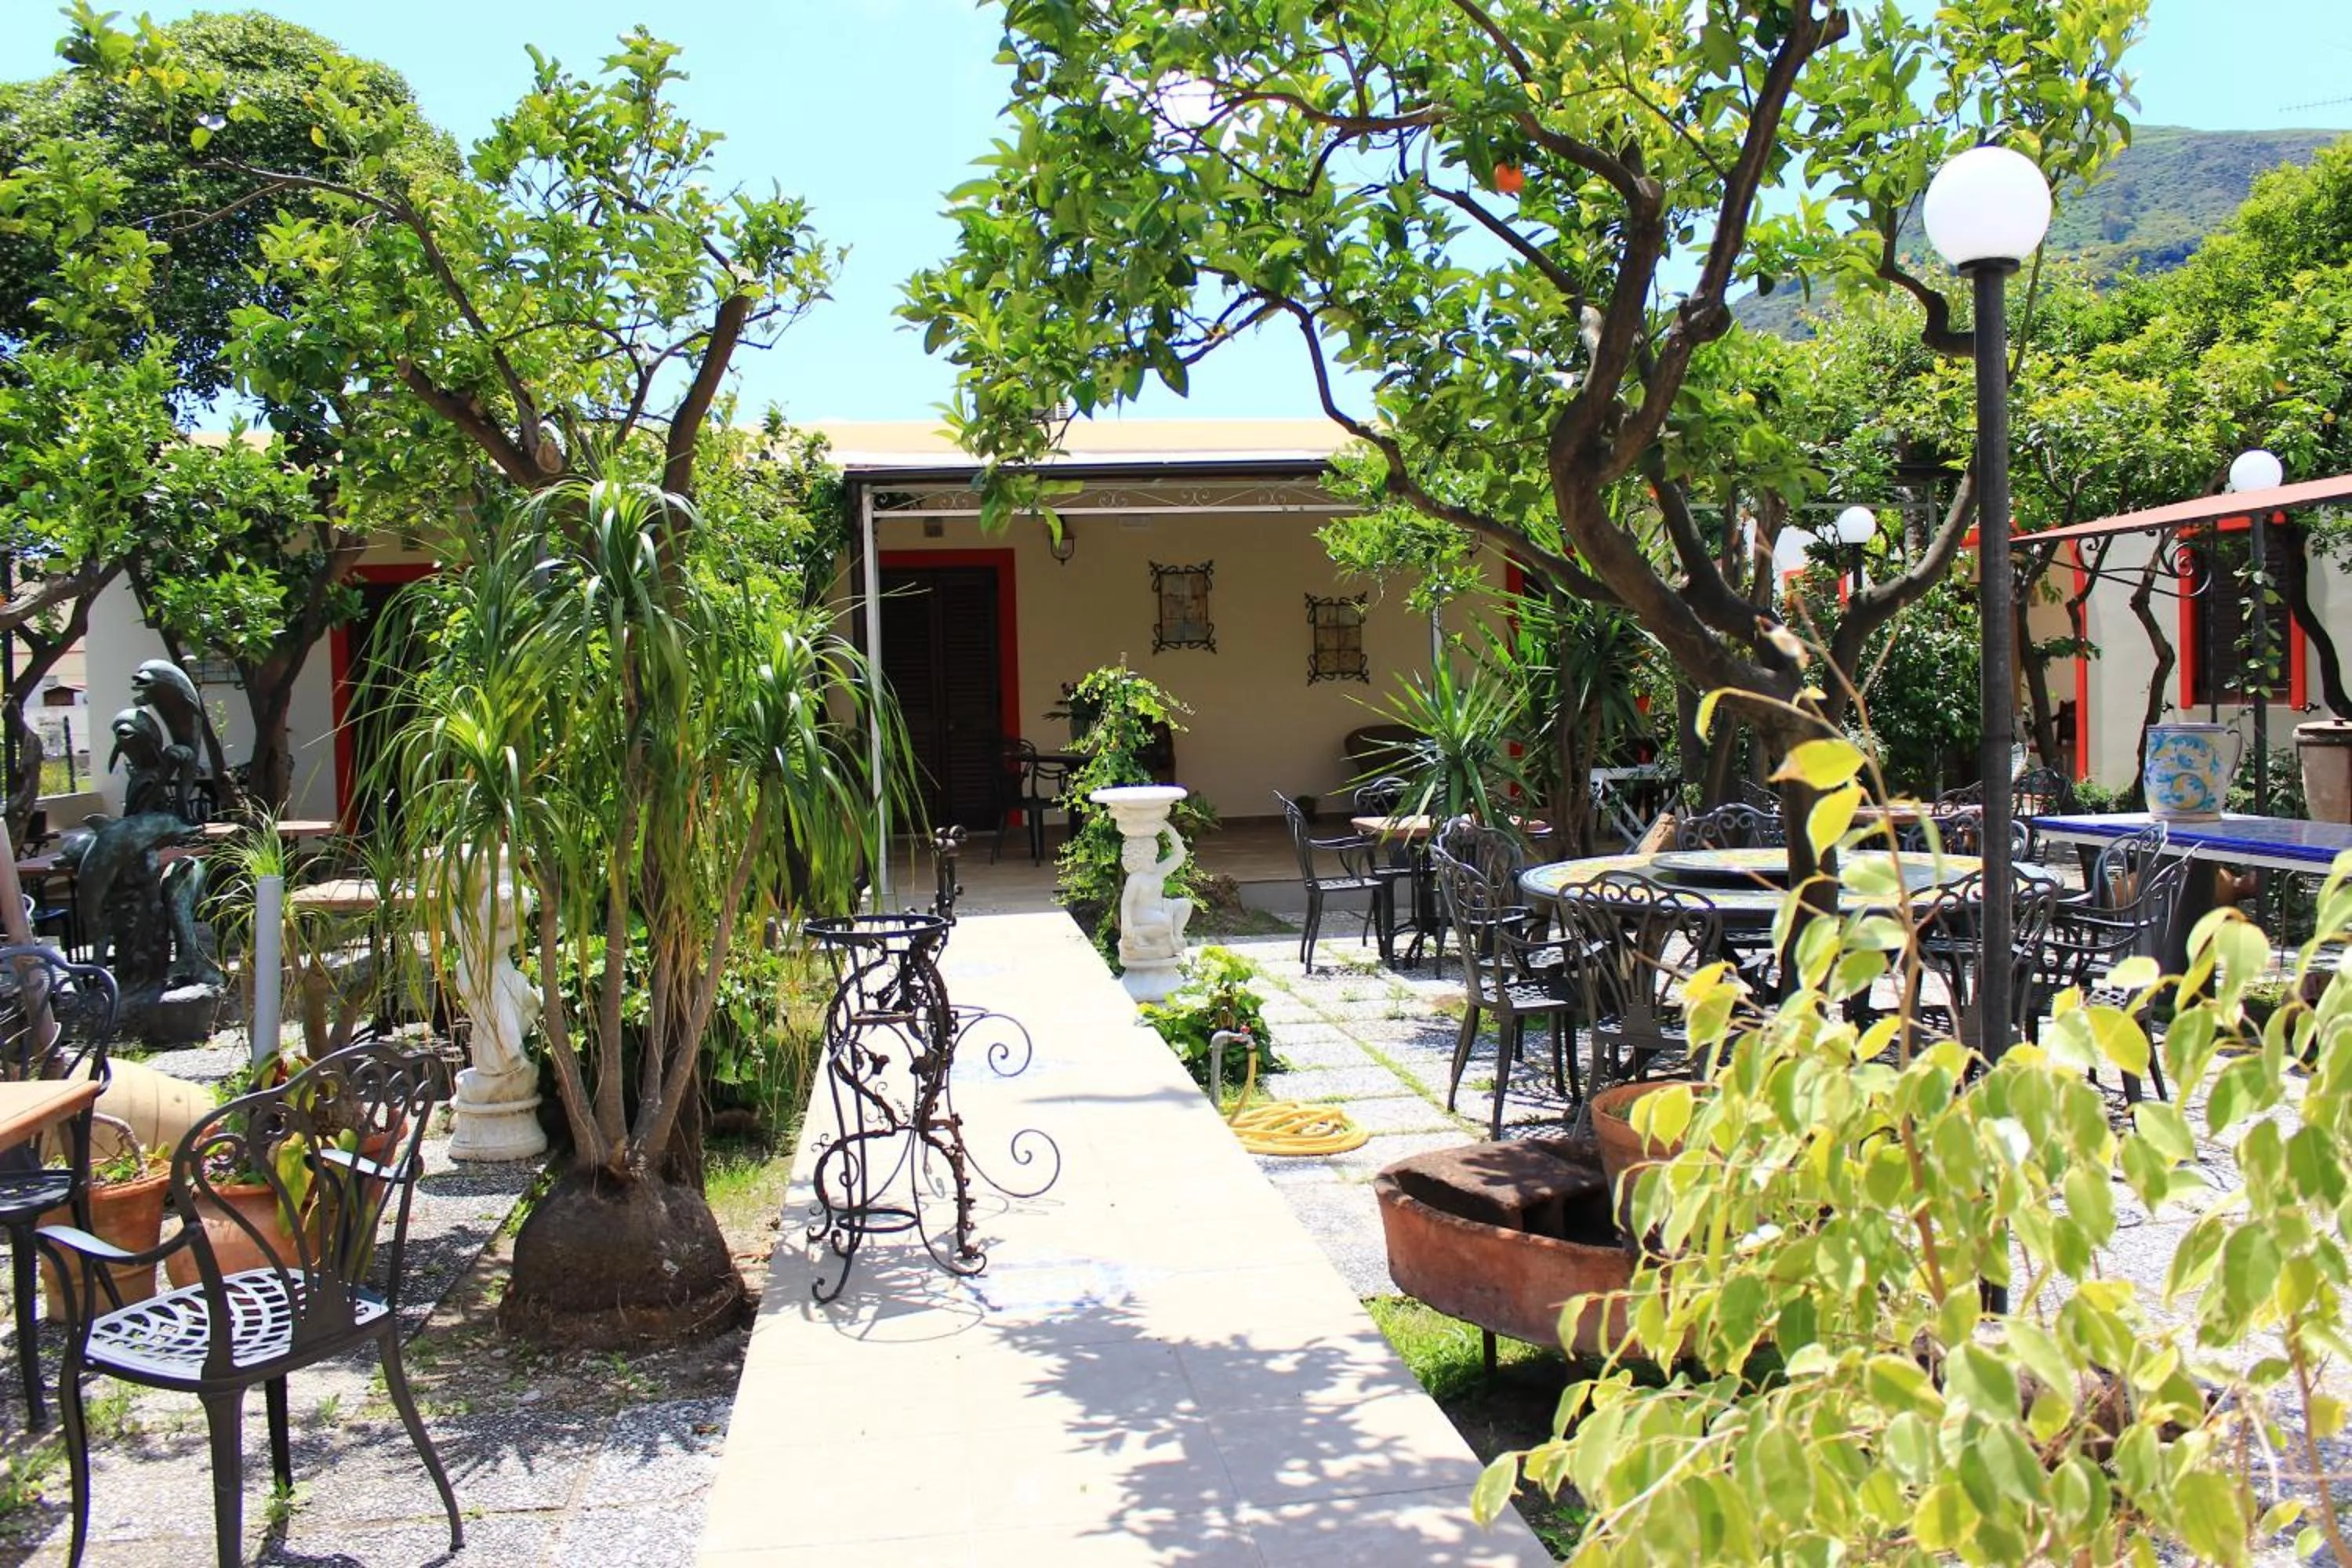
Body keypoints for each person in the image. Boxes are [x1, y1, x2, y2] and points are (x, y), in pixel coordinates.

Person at [1117, 829, 1192, 964]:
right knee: (1164, 922)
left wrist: (1169, 829)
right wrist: (1127, 926)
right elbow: (1126, 904)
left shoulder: (1158, 871)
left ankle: (1176, 936)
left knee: (1186, 904)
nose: (1153, 859)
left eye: (1154, 854)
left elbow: (1180, 855)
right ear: (1138, 859)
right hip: (1141, 913)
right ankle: (1138, 933)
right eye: (1148, 855)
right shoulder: (1135, 879)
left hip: (1161, 907)